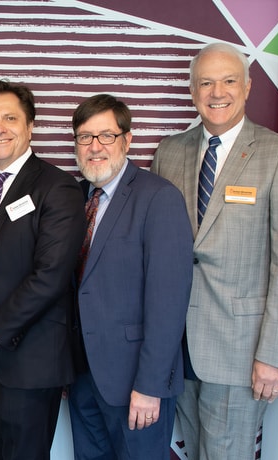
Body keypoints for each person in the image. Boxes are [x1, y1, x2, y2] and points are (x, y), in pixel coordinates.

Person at [152, 42, 278, 459]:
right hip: (176, 345)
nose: (218, 92)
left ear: (248, 87)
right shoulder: (169, 152)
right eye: (206, 82)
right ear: (192, 91)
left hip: (240, 349)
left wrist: (274, 354)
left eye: (229, 80)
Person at [0, 79, 86, 460]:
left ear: (30, 126)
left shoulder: (58, 187)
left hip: (31, 363)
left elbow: (50, 276)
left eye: (10, 118)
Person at [67, 94, 193, 459]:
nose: (95, 147)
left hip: (138, 383)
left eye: (106, 136)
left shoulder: (158, 197)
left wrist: (151, 385)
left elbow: (168, 301)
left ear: (127, 139)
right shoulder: (75, 198)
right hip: (83, 378)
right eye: (85, 137)